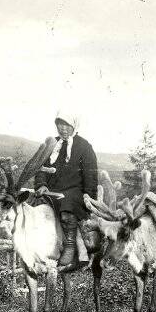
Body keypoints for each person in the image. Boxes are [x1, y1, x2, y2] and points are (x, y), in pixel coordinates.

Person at [33, 112, 98, 272]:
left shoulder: (84, 146)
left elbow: (90, 174)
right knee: (34, 203)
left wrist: (88, 196)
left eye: (66, 125)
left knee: (66, 202)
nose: (62, 128)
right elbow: (41, 169)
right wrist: (41, 184)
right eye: (59, 124)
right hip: (52, 191)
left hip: (75, 193)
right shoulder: (52, 144)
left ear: (74, 126)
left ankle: (69, 246)